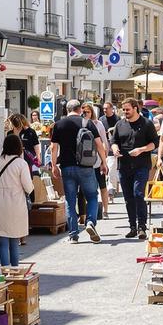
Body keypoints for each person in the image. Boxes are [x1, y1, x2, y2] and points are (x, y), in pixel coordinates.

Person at [50, 99, 106, 243]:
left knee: (70, 200)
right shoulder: (87, 123)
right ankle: (90, 222)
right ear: (80, 109)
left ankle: (73, 235)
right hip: (86, 166)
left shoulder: (58, 124)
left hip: (67, 166)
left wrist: (54, 165)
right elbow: (99, 145)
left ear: (67, 110)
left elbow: (53, 147)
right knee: (92, 196)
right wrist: (103, 162)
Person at [111, 98, 160, 239]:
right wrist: (115, 150)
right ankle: (132, 226)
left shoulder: (146, 123)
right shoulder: (120, 124)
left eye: (127, 109)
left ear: (135, 108)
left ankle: (142, 227)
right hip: (124, 165)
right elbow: (114, 141)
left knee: (138, 194)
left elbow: (154, 143)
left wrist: (141, 149)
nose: (125, 112)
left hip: (141, 165)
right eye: (124, 110)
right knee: (128, 197)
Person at [0, 133, 34, 267]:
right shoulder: (21, 163)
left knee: (3, 242)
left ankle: (5, 271)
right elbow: (29, 187)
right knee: (14, 241)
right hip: (16, 204)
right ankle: (15, 270)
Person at [82, 101, 110, 217]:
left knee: (102, 186)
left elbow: (104, 141)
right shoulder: (81, 123)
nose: (85, 114)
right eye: (83, 112)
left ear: (92, 112)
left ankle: (105, 210)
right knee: (86, 189)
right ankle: (85, 212)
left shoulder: (98, 124)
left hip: (97, 160)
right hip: (84, 161)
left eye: (88, 112)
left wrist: (105, 158)